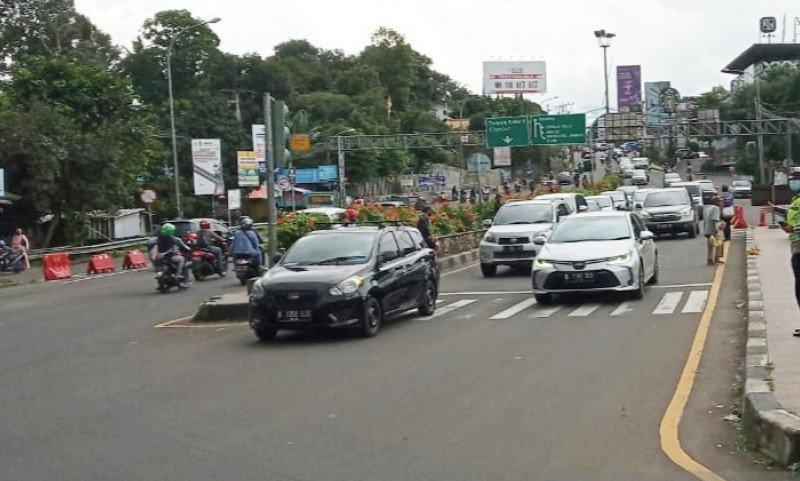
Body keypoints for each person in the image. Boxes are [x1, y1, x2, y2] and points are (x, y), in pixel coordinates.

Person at [703, 196, 724, 265]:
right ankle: (717, 258)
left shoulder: (708, 208)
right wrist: (720, 226)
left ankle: (710, 260)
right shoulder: (716, 208)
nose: (721, 202)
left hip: (707, 229)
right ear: (716, 202)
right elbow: (715, 219)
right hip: (713, 230)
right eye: (720, 201)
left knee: (710, 246)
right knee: (719, 243)